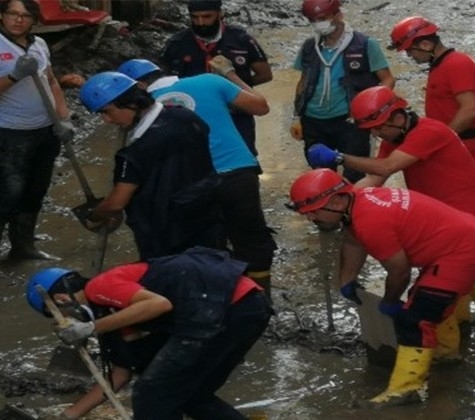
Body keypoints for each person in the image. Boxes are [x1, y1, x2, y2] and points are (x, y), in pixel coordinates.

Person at [307, 86, 475, 329]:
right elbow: (373, 179)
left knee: (443, 278)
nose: (378, 133)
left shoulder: (429, 131)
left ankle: (454, 330)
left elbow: (385, 168)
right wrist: (338, 198)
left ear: (399, 116)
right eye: (373, 130)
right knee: (468, 263)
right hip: (447, 213)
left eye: (381, 127)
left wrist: (340, 158)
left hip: (468, 210)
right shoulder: (393, 140)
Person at [288, 169, 475, 406]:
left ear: (336, 200)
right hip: (468, 238)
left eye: (313, 212)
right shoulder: (359, 201)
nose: (311, 219)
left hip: (461, 254)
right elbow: (353, 239)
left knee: (415, 318)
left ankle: (405, 389)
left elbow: (399, 271)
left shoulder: (370, 221)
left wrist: (389, 300)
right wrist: (346, 280)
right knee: (430, 301)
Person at [26, 246, 272, 420]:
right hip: (245, 307)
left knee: (151, 393)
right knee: (190, 394)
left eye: (60, 317)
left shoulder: (100, 287)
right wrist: (68, 416)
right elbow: (120, 374)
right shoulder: (107, 312)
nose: (68, 322)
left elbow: (159, 304)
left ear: (60, 300)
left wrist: (89, 328)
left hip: (226, 307)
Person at [117, 58, 277, 297]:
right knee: (252, 241)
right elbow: (261, 107)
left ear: (137, 87)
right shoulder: (209, 81)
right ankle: (260, 300)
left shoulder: (141, 112)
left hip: (191, 184)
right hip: (237, 171)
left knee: (204, 246)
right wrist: (230, 74)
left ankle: (215, 301)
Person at [77, 71, 221, 261]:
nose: (107, 120)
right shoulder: (185, 116)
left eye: (107, 111)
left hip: (164, 233)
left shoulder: (135, 153)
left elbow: (116, 203)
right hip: (207, 216)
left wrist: (94, 217)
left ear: (133, 103)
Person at [0, 0, 75, 260]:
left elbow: (51, 81)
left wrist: (63, 118)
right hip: (10, 134)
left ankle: (23, 247)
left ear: (34, 20)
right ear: (2, 16)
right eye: (13, 14)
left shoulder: (39, 45)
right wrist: (13, 77)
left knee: (35, 189)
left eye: (25, 15)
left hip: (45, 130)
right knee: (8, 193)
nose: (18, 20)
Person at [290, 0, 395, 183]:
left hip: (350, 121)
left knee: (355, 172)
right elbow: (303, 82)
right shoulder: (309, 47)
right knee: (321, 172)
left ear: (338, 15)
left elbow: (387, 79)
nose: (318, 24)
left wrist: (371, 107)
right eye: (313, 20)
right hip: (313, 120)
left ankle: (356, 208)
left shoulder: (365, 45)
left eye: (322, 18)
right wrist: (297, 117)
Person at [160, 0, 272, 157]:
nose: (201, 22)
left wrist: (236, 87)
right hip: (194, 116)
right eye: (195, 17)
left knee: (242, 159)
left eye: (207, 17)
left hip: (236, 115)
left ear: (220, 13)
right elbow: (165, 83)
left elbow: (265, 74)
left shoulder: (242, 40)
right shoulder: (176, 44)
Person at [390, 16, 475, 176]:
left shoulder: (456, 64)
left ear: (426, 45)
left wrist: (442, 139)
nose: (410, 56)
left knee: (458, 191)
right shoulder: (442, 65)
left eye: (410, 51)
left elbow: (470, 109)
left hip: (471, 141)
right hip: (461, 139)